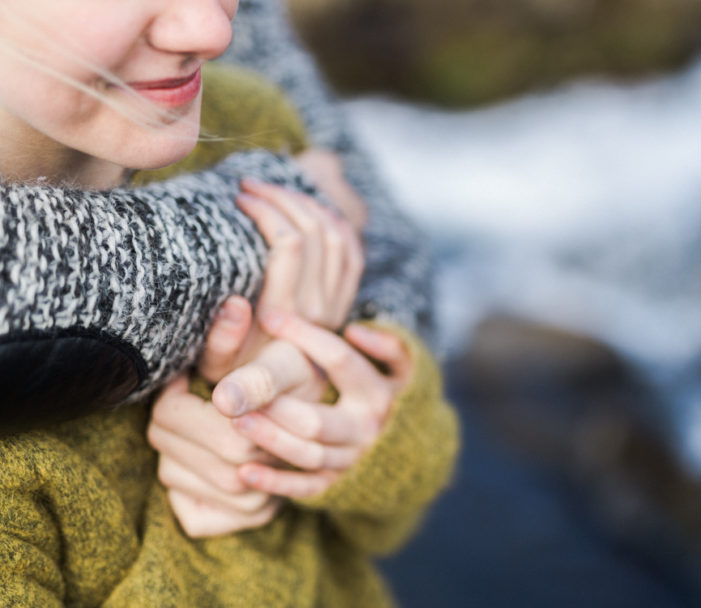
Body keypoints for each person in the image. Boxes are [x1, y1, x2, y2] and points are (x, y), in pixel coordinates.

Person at [0, 0, 458, 606]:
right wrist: (234, 517)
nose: (215, 31)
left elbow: (387, 520)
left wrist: (342, 425)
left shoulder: (246, 118)